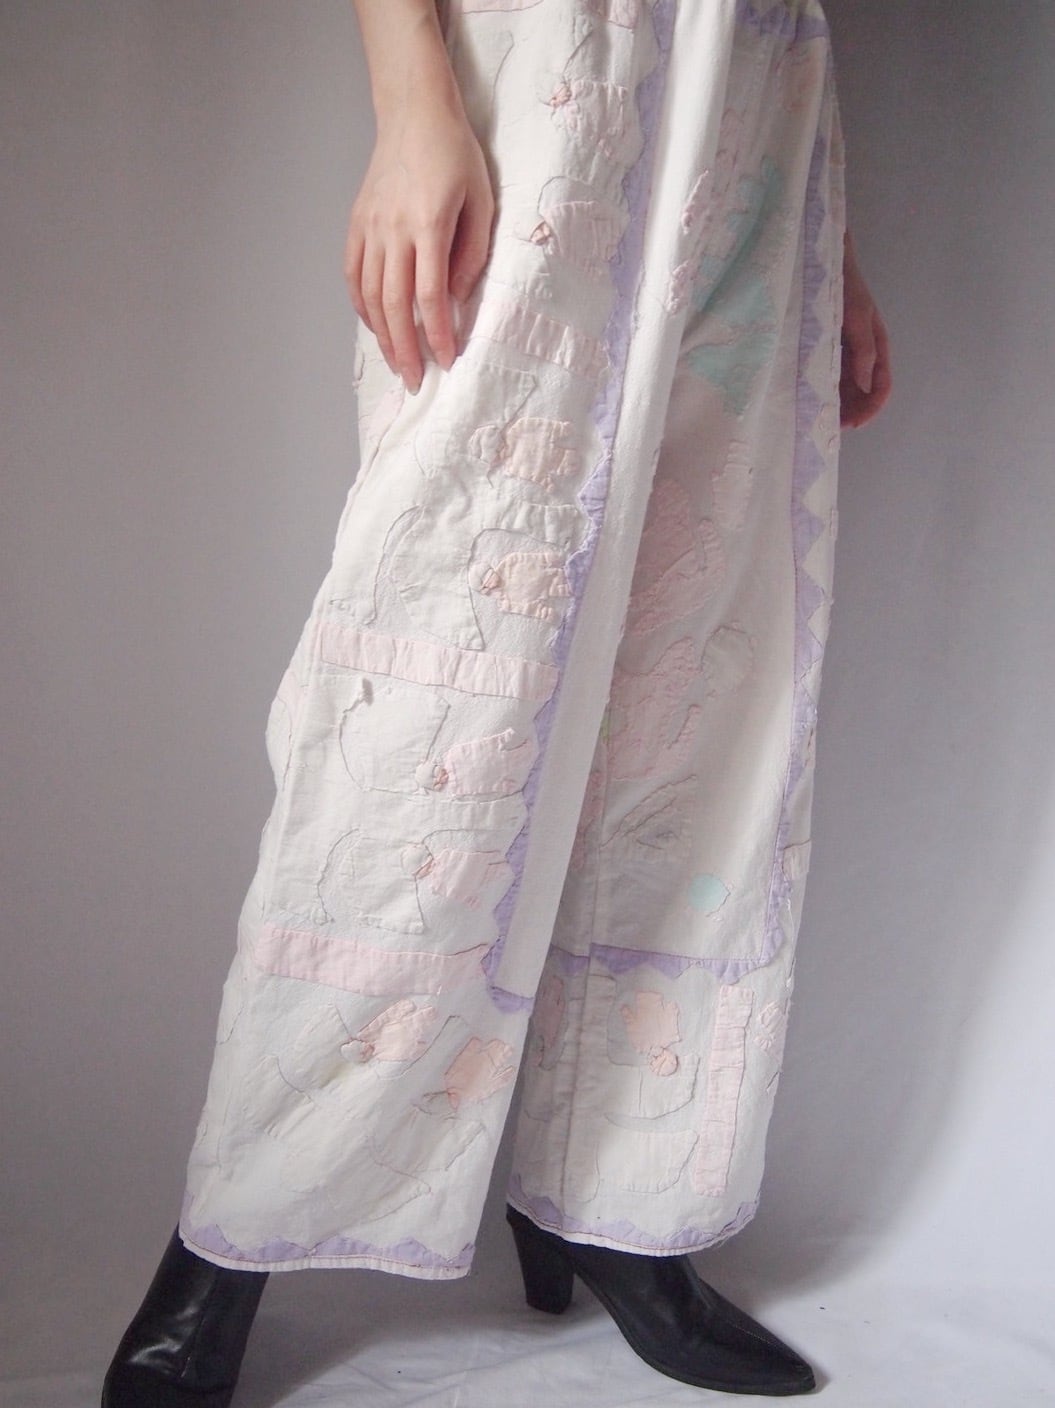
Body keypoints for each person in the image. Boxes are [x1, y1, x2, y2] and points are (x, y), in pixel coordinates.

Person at [101, 0, 891, 1403]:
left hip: (763, 108)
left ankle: (615, 1207)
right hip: (551, 78)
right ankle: (234, 1229)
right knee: (433, 687)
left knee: (696, 695)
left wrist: (829, 236)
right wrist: (412, 102)